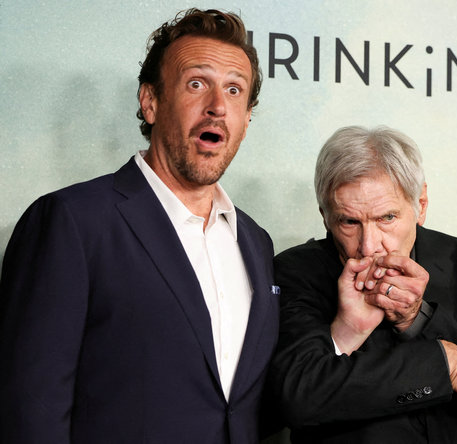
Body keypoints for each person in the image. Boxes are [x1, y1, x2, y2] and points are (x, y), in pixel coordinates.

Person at [0, 8, 279, 444]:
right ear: (150, 102)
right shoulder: (71, 221)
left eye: (234, 90)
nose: (217, 107)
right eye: (196, 83)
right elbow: (30, 409)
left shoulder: (256, 243)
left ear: (246, 120)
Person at [268, 126, 457, 443]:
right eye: (349, 221)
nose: (369, 246)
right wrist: (445, 363)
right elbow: (297, 399)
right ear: (326, 216)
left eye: (387, 218)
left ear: (420, 205)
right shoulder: (296, 271)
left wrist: (417, 319)